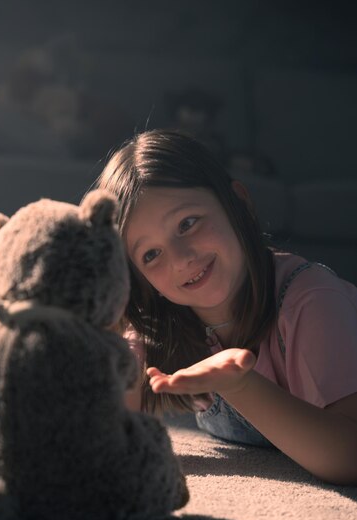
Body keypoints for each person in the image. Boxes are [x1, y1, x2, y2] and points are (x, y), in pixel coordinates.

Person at [96, 129, 357, 485]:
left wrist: (239, 385)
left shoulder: (310, 300)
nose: (181, 259)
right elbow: (111, 440)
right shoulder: (162, 326)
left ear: (240, 204)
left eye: (187, 224)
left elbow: (348, 455)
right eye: (151, 254)